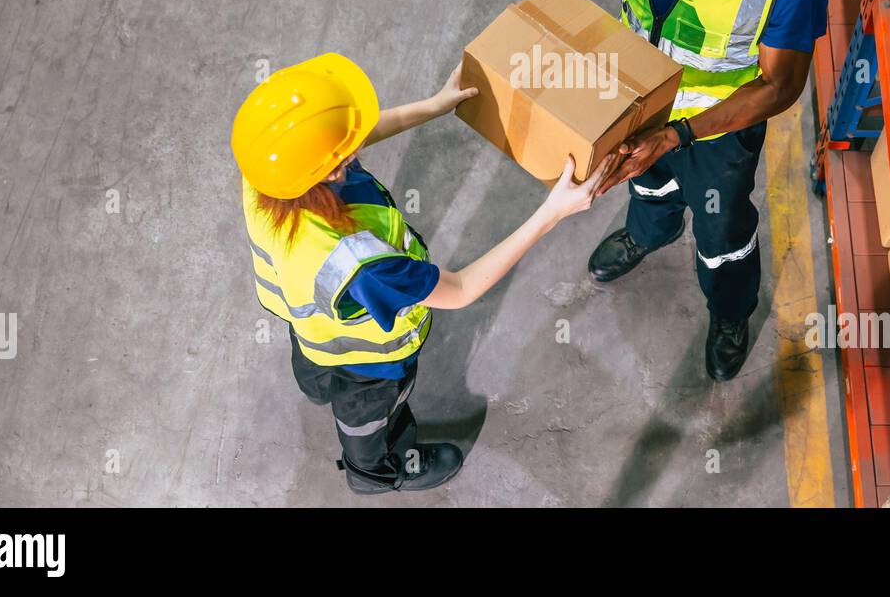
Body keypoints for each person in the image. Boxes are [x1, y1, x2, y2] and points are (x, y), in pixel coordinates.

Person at [230, 53, 612, 493]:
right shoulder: (360, 264)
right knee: (368, 422)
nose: (355, 147)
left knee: (317, 370)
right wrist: (552, 213)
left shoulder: (269, 171)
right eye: (344, 151)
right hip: (368, 364)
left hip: (308, 328)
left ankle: (317, 386)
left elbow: (341, 143)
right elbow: (463, 288)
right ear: (331, 169)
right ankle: (375, 474)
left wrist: (435, 105)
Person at [560, 0, 828, 382]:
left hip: (714, 131)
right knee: (642, 181)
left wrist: (678, 135)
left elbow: (779, 88)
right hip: (634, 93)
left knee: (722, 231)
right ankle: (647, 233)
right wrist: (554, 1)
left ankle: (731, 309)